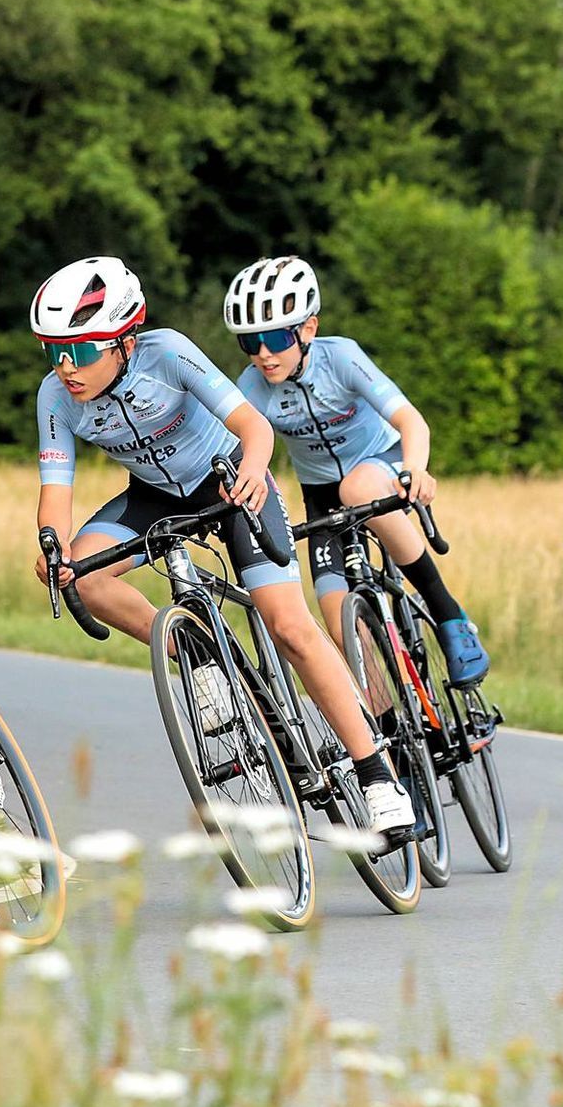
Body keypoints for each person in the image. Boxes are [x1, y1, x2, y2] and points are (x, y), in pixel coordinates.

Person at [29, 256, 416, 834]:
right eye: (52, 350)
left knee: (289, 626)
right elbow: (55, 489)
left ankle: (377, 775)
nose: (66, 367)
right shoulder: (54, 397)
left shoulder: (168, 353)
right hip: (156, 495)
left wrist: (255, 473)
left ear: (125, 340)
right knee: (85, 573)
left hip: (230, 477)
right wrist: (53, 549)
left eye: (81, 350)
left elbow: (254, 427)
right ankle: (200, 653)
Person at [223, 256, 488, 685]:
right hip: (320, 492)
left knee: (359, 486)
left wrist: (416, 470)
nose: (264, 355)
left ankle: (447, 614)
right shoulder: (251, 387)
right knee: (334, 617)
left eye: (274, 338)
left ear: (308, 329)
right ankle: (386, 732)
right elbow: (236, 450)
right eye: (249, 343)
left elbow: (410, 421)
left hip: (383, 460)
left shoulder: (341, 357)